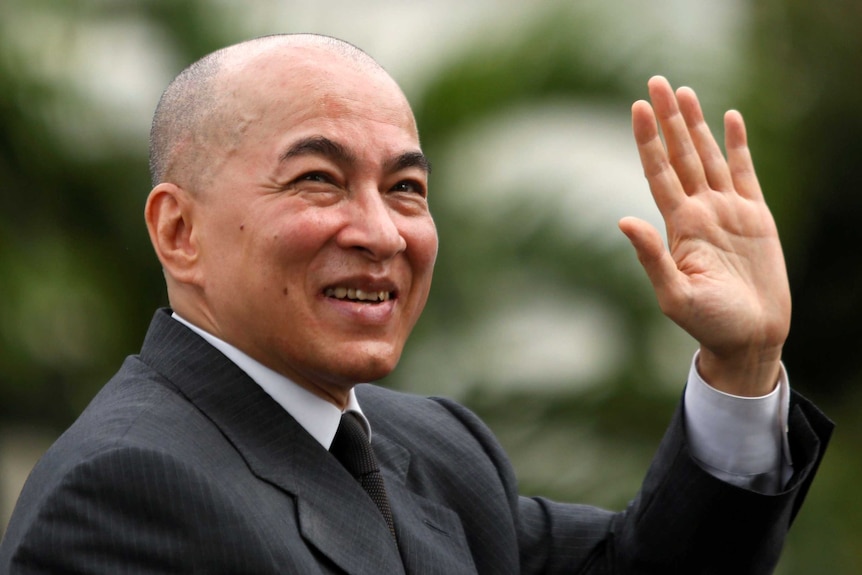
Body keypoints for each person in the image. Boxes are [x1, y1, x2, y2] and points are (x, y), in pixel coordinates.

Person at [0, 33, 832, 574]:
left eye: (405, 188)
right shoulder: (124, 491)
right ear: (179, 231)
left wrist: (742, 366)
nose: (379, 232)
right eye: (318, 179)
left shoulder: (433, 445)